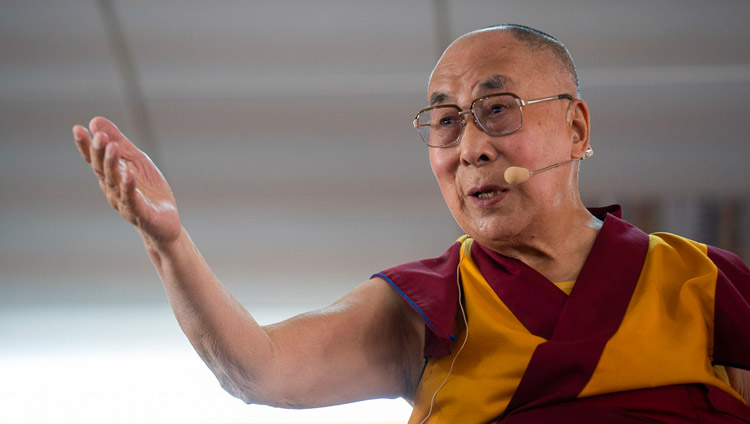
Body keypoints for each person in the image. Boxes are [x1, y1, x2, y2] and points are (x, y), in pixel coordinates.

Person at [73, 24, 750, 423]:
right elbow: (260, 369)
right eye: (446, 122)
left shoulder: (704, 280)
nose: (470, 148)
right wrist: (168, 243)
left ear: (575, 127)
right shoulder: (428, 303)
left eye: (499, 109)